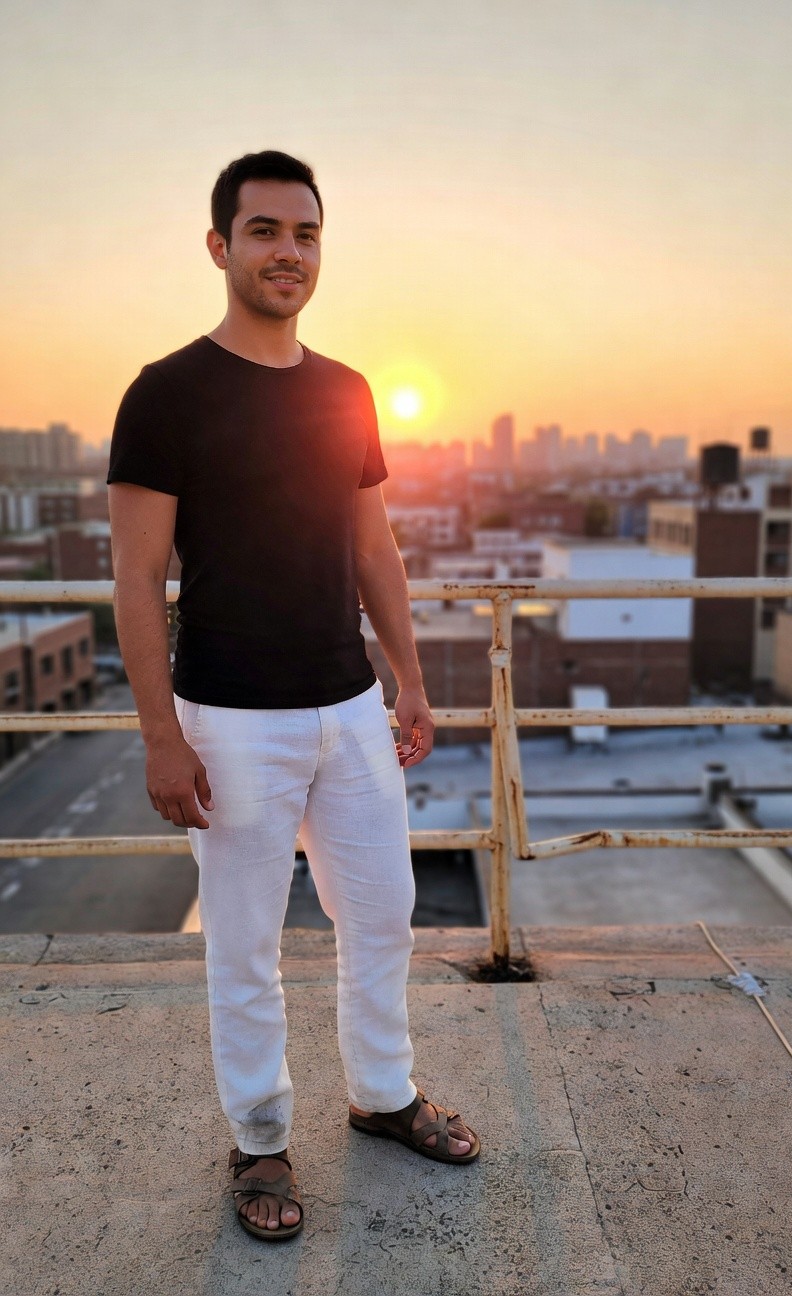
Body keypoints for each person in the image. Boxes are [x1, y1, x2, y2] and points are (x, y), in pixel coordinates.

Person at [107, 150, 479, 1243]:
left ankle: (382, 1096)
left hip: (351, 709)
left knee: (385, 919)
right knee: (244, 946)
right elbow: (136, 576)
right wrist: (161, 738)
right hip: (228, 719)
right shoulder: (165, 393)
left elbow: (374, 546)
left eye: (306, 234)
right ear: (221, 246)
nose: (289, 252)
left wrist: (409, 680)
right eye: (265, 231)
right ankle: (262, 1137)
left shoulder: (348, 390)